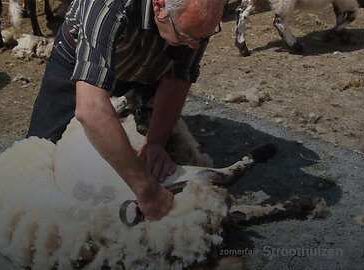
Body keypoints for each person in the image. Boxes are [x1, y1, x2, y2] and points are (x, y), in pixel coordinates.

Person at [27, 0, 224, 221]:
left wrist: (156, 142)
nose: (196, 46)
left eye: (204, 36)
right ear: (159, 7)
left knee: (157, 160)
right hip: (80, 60)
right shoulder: (108, 4)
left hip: (150, 60)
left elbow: (179, 74)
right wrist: (147, 191)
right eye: (189, 35)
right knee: (36, 160)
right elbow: (90, 108)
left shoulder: (194, 18)